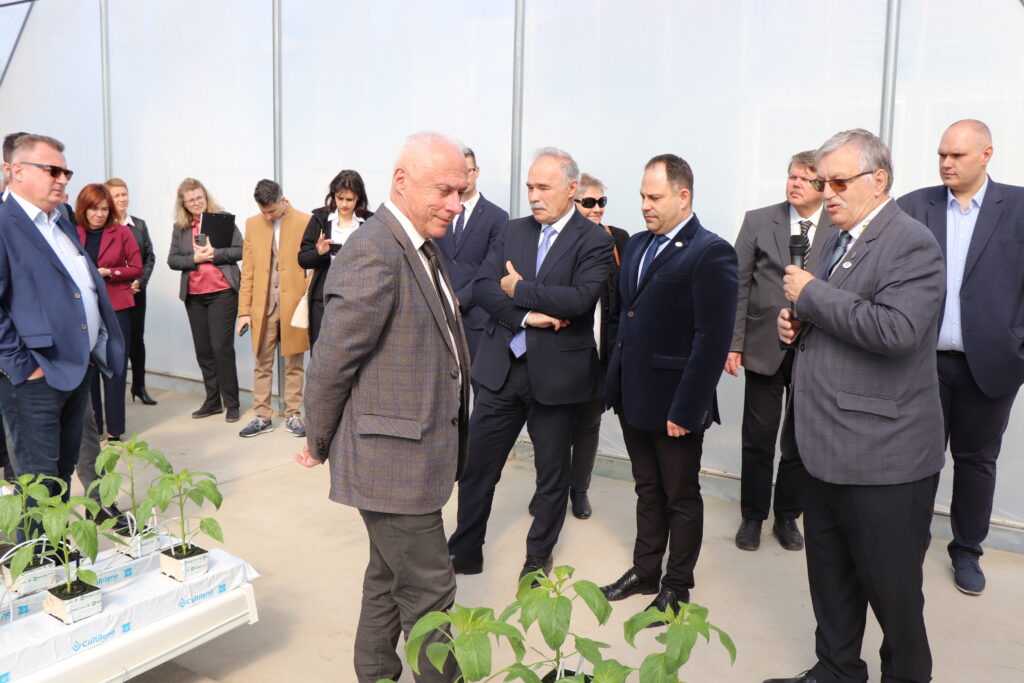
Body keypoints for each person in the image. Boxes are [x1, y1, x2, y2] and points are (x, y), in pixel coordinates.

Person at [765, 129, 945, 683]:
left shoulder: (911, 242)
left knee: (892, 593)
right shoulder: (834, 240)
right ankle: (837, 670)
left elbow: (898, 330)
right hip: (825, 446)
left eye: (839, 182)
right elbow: (835, 317)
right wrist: (795, 325)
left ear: (879, 180)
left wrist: (810, 295)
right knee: (831, 578)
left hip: (882, 457)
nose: (828, 194)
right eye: (823, 183)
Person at [295, 132, 469, 683]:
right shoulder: (375, 250)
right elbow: (331, 362)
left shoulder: (417, 244)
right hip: (393, 462)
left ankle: (374, 673)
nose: (456, 204)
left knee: (388, 580)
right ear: (402, 180)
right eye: (444, 190)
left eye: (461, 191)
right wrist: (318, 438)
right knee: (431, 592)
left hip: (411, 455)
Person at [447, 148, 612, 583]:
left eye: (543, 187)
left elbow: (579, 300)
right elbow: (484, 287)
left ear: (572, 188)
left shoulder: (595, 240)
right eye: (529, 187)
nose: (534, 196)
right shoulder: (512, 230)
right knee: (477, 469)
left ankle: (537, 560)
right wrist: (527, 316)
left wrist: (519, 288)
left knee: (552, 475)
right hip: (501, 369)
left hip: (556, 378)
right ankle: (465, 550)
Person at [599, 154, 738, 620]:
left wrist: (687, 408)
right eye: (642, 196)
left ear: (683, 197)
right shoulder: (637, 244)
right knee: (646, 488)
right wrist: (614, 382)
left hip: (676, 404)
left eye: (654, 197)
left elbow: (711, 340)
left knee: (680, 496)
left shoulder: (711, 252)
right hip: (633, 395)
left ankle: (677, 585)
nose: (644, 205)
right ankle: (645, 571)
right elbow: (624, 316)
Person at [898, 119, 1024, 596]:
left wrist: (1018, 348)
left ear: (987, 154)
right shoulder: (914, 205)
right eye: (941, 155)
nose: (946, 163)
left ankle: (967, 550)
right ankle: (907, 546)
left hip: (991, 365)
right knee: (917, 460)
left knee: (977, 461)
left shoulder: (1019, 207)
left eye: (957, 155)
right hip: (922, 363)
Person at [0, 134, 125, 503]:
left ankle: (59, 539)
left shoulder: (61, 221)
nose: (62, 179)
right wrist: (24, 367)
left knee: (62, 472)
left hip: (76, 369)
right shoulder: (5, 223)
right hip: (35, 377)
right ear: (16, 171)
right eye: (52, 170)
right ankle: (37, 543)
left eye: (65, 172)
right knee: (38, 483)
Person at [727, 151, 832, 552]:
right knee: (758, 438)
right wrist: (734, 343)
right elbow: (738, 284)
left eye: (805, 179)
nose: (795, 184)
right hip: (762, 345)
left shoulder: (837, 225)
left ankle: (787, 516)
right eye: (792, 176)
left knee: (802, 440)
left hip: (815, 347)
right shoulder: (758, 220)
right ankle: (752, 517)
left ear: (822, 187)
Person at [563, 173, 629, 519]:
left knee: (589, 424)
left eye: (602, 201)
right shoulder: (560, 241)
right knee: (556, 426)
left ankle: (579, 490)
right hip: (563, 350)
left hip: (601, 352)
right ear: (573, 202)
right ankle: (551, 490)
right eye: (589, 202)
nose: (597, 208)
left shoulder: (618, 239)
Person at [236, 180, 310, 438]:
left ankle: (293, 414)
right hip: (263, 306)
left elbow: (313, 265)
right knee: (262, 363)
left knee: (295, 363)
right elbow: (248, 271)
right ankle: (262, 416)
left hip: (294, 305)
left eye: (272, 211)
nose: (268, 216)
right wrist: (244, 312)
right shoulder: (252, 224)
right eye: (263, 211)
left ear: (282, 199)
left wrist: (306, 295)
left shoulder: (305, 221)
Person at [167, 178, 243, 422]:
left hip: (223, 293)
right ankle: (212, 402)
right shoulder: (180, 227)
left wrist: (214, 255)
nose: (196, 202)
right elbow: (172, 260)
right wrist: (194, 260)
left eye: (199, 197)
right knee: (204, 350)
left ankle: (232, 403)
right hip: (194, 296)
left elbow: (241, 250)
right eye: (191, 200)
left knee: (221, 348)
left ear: (205, 196)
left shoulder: (222, 219)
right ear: (183, 204)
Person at [75, 184, 142, 442]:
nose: (99, 214)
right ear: (84, 209)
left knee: (115, 367)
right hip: (84, 309)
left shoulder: (122, 232)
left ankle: (115, 429)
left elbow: (136, 268)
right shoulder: (74, 233)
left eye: (104, 209)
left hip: (116, 307)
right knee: (89, 368)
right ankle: (95, 428)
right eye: (94, 209)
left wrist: (110, 272)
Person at [434, 147, 509, 365]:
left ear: (477, 171)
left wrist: (460, 299)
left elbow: (491, 268)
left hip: (477, 318)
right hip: (440, 315)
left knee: (477, 381)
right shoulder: (439, 213)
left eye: (468, 171)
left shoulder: (497, 217)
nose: (464, 178)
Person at [297, 170, 372, 347]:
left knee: (354, 349)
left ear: (358, 198)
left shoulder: (369, 221)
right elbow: (302, 259)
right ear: (333, 196)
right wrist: (320, 253)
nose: (344, 204)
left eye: (349, 199)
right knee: (321, 348)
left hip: (359, 298)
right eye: (340, 198)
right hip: (323, 297)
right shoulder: (320, 219)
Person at [105, 178, 158, 406]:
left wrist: (140, 282)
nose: (122, 199)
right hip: (115, 293)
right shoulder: (104, 226)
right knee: (117, 341)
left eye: (124, 194)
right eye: (116, 195)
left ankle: (139, 386)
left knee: (137, 339)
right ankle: (115, 389)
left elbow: (149, 257)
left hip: (136, 291)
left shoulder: (139, 225)